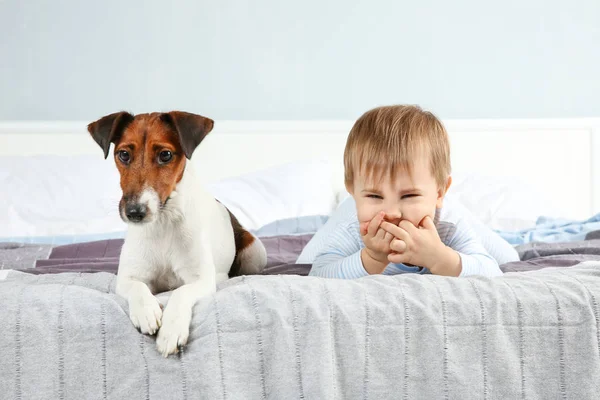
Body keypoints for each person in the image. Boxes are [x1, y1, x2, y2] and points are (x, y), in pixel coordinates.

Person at [307, 105, 506, 279]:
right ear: (353, 191)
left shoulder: (449, 229)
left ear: (439, 193)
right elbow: (317, 276)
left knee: (508, 255)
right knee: (305, 257)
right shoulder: (353, 231)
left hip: (445, 209)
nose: (392, 213)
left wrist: (440, 258)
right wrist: (372, 259)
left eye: (409, 195)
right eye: (374, 196)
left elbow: (493, 273)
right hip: (349, 206)